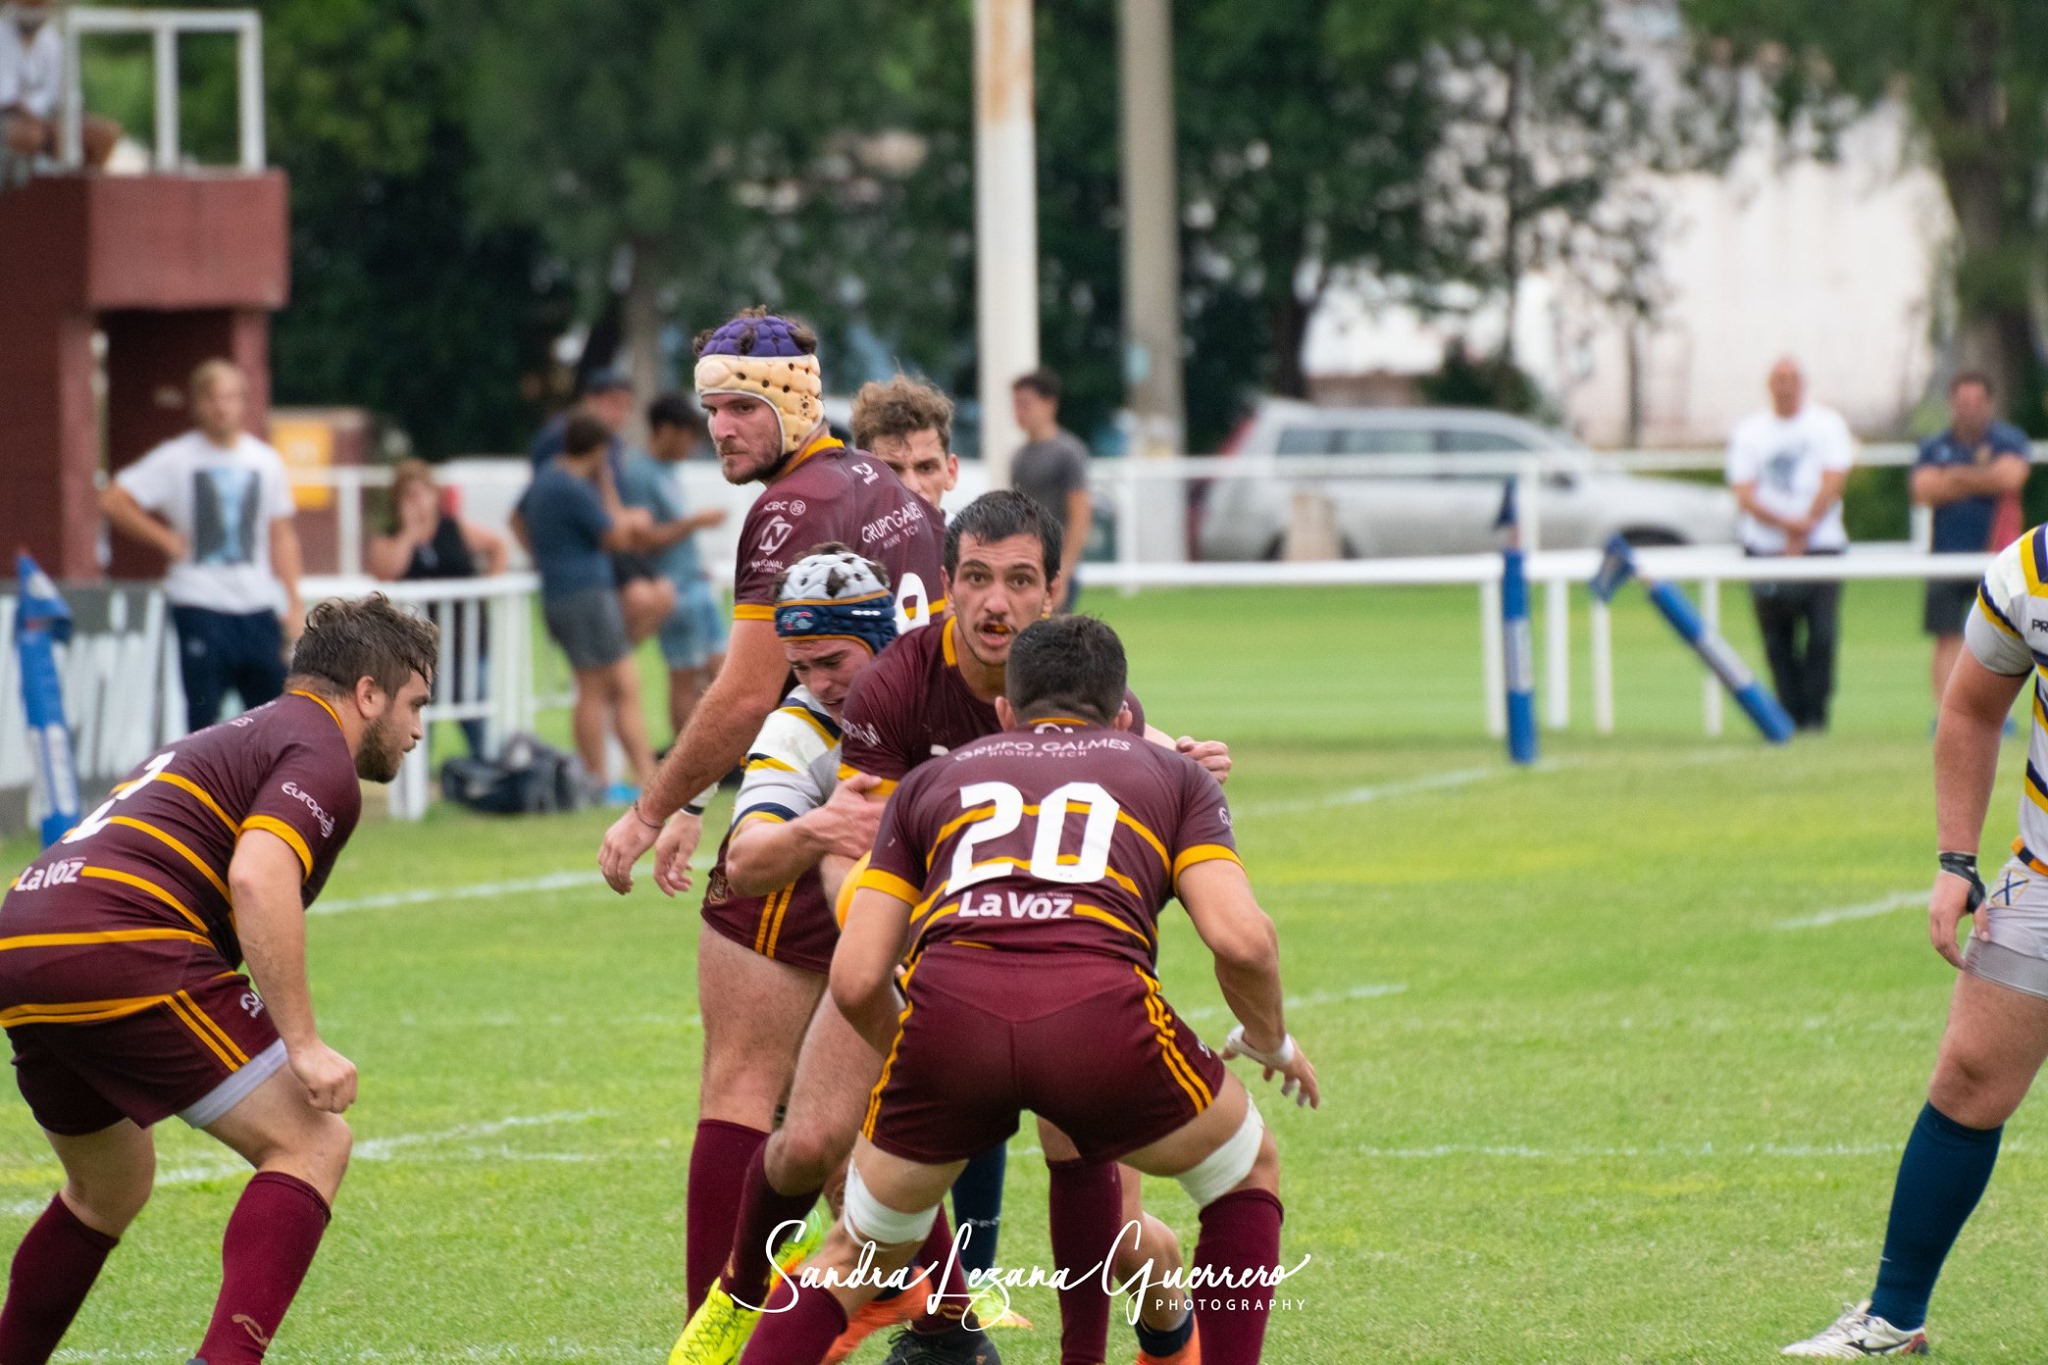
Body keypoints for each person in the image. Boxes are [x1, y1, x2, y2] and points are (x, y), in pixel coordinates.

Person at [743, 614, 1317, 1365]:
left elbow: (855, 977)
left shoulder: (929, 782)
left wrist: (917, 1053)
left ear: (1006, 712)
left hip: (947, 1014)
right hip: (1099, 1019)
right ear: (1121, 718)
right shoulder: (1176, 775)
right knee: (1245, 1169)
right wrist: (1269, 1037)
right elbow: (1244, 939)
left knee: (857, 1255)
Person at [834, 490, 1233, 1365]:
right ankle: (940, 1329)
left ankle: (1162, 1330)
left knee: (1125, 1231)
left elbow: (1143, 807)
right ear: (944, 584)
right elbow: (847, 845)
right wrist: (902, 955)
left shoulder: (1087, 688)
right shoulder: (894, 685)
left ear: (1051, 591)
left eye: (1018, 580)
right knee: (821, 1146)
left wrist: (1179, 764)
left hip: (1062, 960)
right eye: (974, 578)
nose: (994, 602)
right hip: (913, 956)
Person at [0, 594, 437, 1364]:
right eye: (414, 703)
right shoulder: (321, 753)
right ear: (368, 692)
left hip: (26, 930)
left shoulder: (242, 731)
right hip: (119, 936)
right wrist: (301, 1044)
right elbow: (260, 875)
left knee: (109, 1186)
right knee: (312, 1140)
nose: (418, 729)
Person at [670, 545, 998, 1365]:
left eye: (832, 660)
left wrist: (1166, 754)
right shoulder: (798, 724)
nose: (816, 680)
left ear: (885, 637)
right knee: (813, 1144)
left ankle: (956, 1324)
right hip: (818, 932)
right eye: (800, 664)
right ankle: (734, 1298)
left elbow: (1076, 727)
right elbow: (745, 857)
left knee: (894, 1147)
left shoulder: (960, 696)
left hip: (929, 944)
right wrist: (817, 828)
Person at [1781, 521, 2048, 1357]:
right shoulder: (2034, 568)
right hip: (2046, 874)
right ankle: (1894, 1314)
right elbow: (1970, 708)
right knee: (1969, 1073)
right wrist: (1955, 859)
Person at [596, 307, 943, 899]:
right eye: (713, 411)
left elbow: (747, 694)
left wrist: (648, 812)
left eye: (743, 408)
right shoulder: (873, 476)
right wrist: (696, 801)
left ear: (796, 404)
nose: (720, 429)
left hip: (840, 786)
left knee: (757, 936)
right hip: (915, 774)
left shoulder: (793, 507)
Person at [101, 359, 305, 737]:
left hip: (256, 604)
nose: (221, 407)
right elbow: (114, 499)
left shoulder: (265, 461)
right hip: (199, 602)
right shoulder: (177, 457)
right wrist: (165, 539)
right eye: (212, 398)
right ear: (197, 404)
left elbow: (281, 534)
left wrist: (293, 601)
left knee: (275, 717)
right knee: (202, 719)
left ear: (244, 403)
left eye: (230, 397)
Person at [512, 413, 659, 794]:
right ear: (597, 452)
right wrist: (607, 485)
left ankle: (601, 780)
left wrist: (542, 556)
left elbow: (516, 519)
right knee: (619, 685)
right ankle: (628, 779)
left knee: (592, 687)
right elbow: (618, 537)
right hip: (588, 595)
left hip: (560, 593)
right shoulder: (575, 488)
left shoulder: (545, 478)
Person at [1725, 357, 1855, 732]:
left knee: (1822, 635)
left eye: (1792, 378)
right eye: (1779, 379)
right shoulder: (1751, 432)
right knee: (1776, 639)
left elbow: (1833, 479)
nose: (1786, 386)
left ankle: (1816, 716)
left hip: (1822, 546)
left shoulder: (1826, 425)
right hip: (1765, 549)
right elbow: (1744, 491)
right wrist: (1787, 526)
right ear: (1769, 385)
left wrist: (1804, 528)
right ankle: (1787, 715)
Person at [366, 459, 509, 757]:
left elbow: (497, 546)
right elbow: (386, 572)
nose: (418, 502)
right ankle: (416, 787)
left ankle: (487, 774)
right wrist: (408, 533)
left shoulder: (454, 529)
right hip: (415, 651)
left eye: (423, 493)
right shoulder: (390, 537)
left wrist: (486, 589)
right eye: (409, 495)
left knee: (475, 713)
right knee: (416, 717)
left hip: (466, 640)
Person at [1911, 372, 2030, 703]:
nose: (1970, 410)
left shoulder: (2008, 440)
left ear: (1989, 403)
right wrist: (1985, 478)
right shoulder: (1935, 445)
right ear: (1952, 403)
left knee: (1999, 641)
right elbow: (1923, 489)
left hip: (1997, 559)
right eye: (1964, 403)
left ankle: (1993, 715)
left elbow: (2011, 478)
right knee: (1947, 639)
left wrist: (1956, 476)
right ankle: (1946, 713)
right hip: (1946, 556)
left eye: (1977, 402)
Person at [619, 394, 730, 739]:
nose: (692, 443)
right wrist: (694, 523)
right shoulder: (638, 473)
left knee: (720, 668)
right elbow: (641, 538)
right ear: (665, 430)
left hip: (694, 581)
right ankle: (687, 756)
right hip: (672, 587)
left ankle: (717, 753)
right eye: (687, 433)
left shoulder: (667, 470)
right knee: (686, 673)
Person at [1, 1, 117, 175]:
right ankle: (22, 197)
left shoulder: (53, 40)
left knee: (103, 136)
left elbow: (66, 98)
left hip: (49, 121)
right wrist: (50, 128)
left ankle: (77, 194)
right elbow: (7, 101)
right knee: (31, 137)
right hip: (11, 119)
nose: (34, 10)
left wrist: (67, 125)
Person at [1009, 370, 1092, 611]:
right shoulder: (1019, 457)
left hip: (1056, 565)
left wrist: (1064, 572)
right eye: (1016, 405)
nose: (1019, 412)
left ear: (1049, 404)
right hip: (1024, 562)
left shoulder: (1069, 452)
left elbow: (1080, 516)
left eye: (1026, 404)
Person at [854, 375, 962, 513]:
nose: (912, 487)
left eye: (926, 468)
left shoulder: (974, 534)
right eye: (891, 471)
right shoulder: (834, 534)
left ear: (951, 472)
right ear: (860, 478)